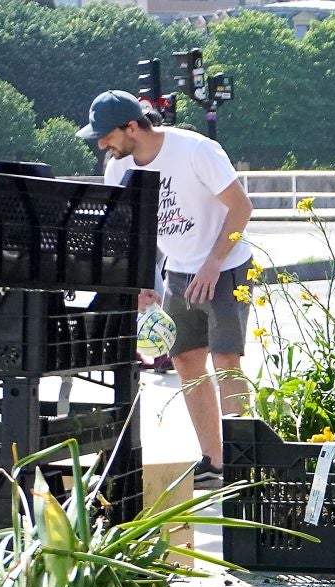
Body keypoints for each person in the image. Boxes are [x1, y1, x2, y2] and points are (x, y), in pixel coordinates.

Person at [83, 89, 253, 490]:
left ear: (132, 126)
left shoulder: (195, 149)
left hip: (225, 265)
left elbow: (241, 207)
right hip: (178, 270)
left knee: (227, 360)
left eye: (105, 135)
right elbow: (133, 231)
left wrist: (212, 263)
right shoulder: (118, 167)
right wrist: (144, 284)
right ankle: (213, 461)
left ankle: (248, 462)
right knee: (187, 363)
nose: (102, 145)